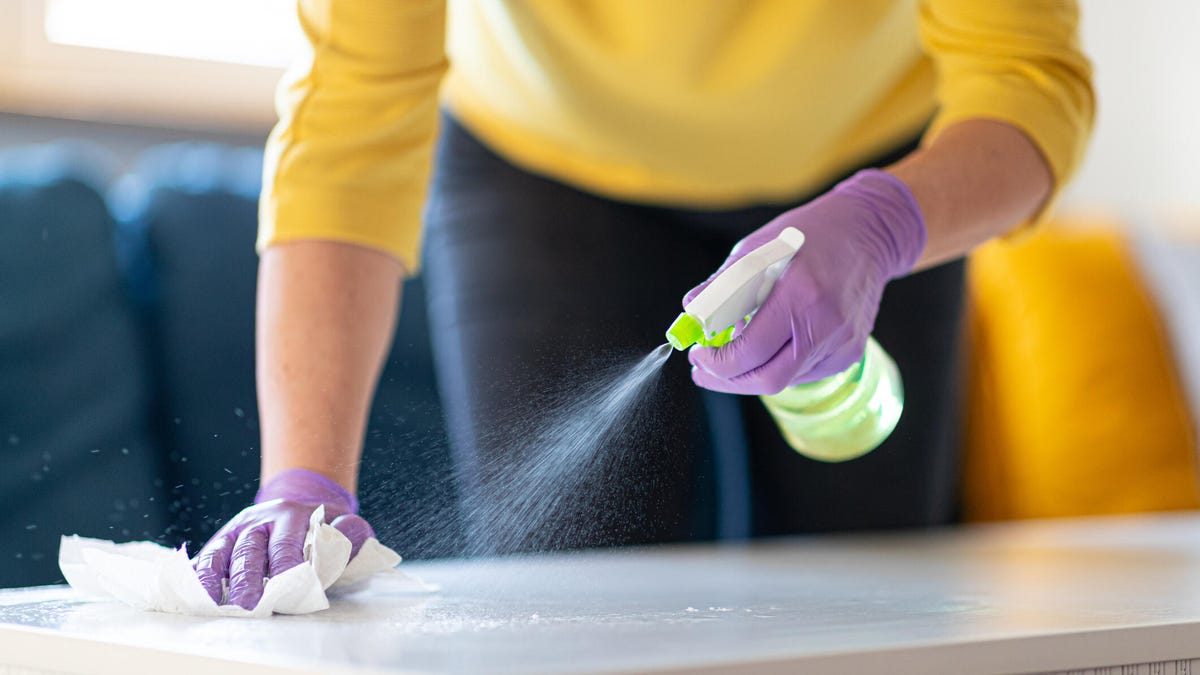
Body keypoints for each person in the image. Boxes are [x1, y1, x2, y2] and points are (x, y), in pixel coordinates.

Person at [194, 1, 1094, 609]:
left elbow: (1026, 78)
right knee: (569, 606)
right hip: (541, 162)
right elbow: (347, 126)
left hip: (879, 164)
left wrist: (888, 224)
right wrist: (301, 480)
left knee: (874, 594)